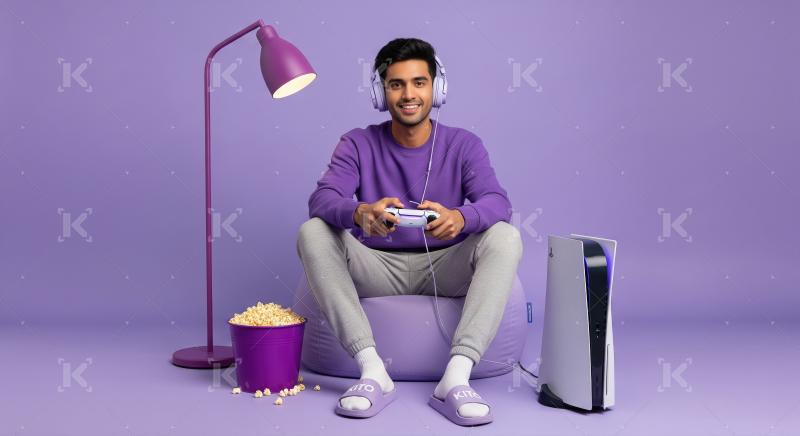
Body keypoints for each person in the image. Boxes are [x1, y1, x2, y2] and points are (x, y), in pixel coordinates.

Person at [296, 37, 522, 426]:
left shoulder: (464, 144)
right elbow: (323, 199)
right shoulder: (357, 142)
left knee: (506, 236)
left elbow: (497, 202)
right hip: (375, 265)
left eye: (419, 82)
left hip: (445, 266)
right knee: (313, 231)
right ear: (380, 92)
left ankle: (455, 378)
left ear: (437, 88)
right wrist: (360, 212)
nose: (408, 94)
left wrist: (461, 218)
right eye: (396, 84)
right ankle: (372, 372)